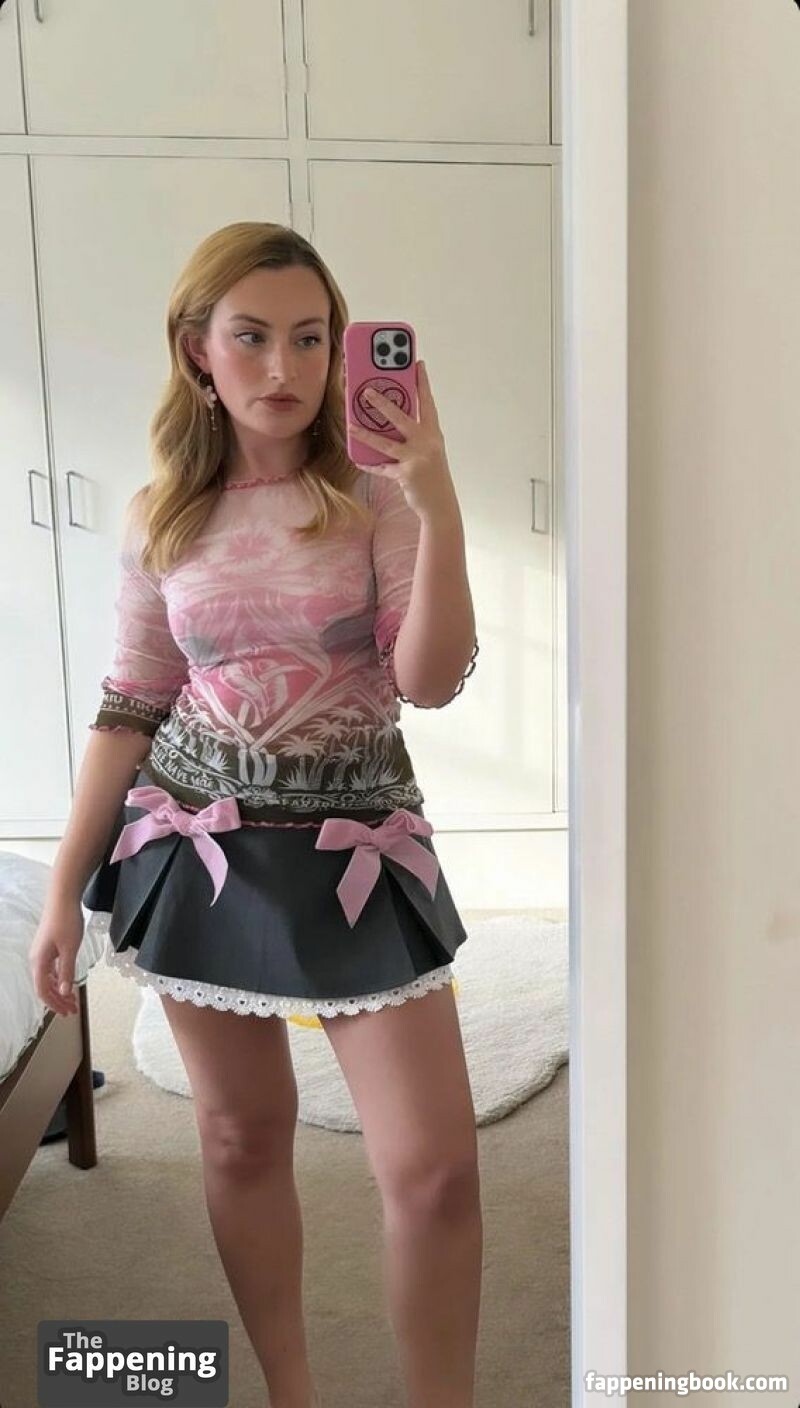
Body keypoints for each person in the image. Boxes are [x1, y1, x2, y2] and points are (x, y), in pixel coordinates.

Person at [29, 221, 482, 1408]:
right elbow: (130, 705)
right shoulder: (160, 514)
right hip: (197, 848)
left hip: (357, 850)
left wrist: (437, 506)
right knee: (239, 1137)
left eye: (311, 338)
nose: (284, 366)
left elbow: (430, 680)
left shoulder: (377, 500)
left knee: (433, 1171)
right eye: (251, 336)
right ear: (197, 350)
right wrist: (64, 890)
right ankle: (291, 1392)